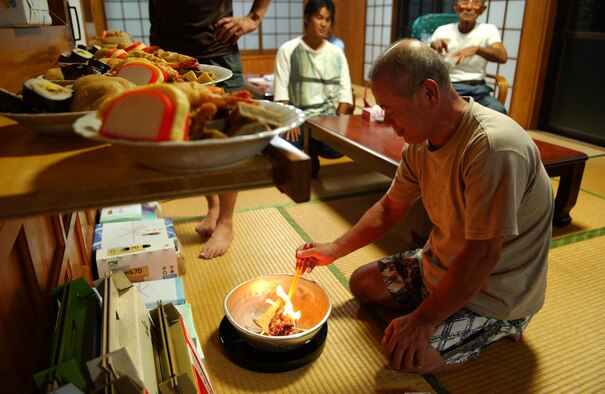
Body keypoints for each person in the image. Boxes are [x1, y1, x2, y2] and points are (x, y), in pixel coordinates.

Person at [295, 39, 553, 374]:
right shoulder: (419, 144)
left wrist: (423, 320)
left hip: (495, 289)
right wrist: (334, 249)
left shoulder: (493, 147)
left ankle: (506, 324)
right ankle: (439, 301)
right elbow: (390, 208)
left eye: (391, 109)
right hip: (440, 265)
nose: (388, 121)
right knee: (362, 283)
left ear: (429, 93)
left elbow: (483, 254)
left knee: (409, 357)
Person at [149, 0, 272, 259]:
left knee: (228, 138)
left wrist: (255, 17)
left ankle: (226, 221)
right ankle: (213, 206)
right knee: (191, 135)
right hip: (169, 51)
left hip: (217, 47)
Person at [273, 0, 354, 161]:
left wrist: (338, 123)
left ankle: (313, 146)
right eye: (319, 17)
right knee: (282, 146)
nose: (324, 24)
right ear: (306, 18)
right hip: (298, 117)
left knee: (338, 149)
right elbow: (281, 91)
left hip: (327, 120)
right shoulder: (288, 50)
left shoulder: (337, 53)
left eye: (328, 19)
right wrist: (291, 120)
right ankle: (311, 148)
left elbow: (345, 94)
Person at [429, 0, 508, 114]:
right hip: (449, 87)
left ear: (482, 9)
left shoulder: (488, 30)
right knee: (436, 111)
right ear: (456, 7)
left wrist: (477, 49)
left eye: (475, 2)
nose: (469, 7)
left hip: (478, 89)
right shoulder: (442, 30)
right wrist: (432, 47)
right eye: (465, 2)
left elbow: (502, 56)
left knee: (498, 110)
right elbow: (425, 63)